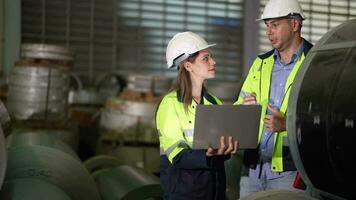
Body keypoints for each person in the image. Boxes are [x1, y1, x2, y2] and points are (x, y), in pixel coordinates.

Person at [234, 0, 313, 197]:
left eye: (275, 25)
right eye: (267, 25)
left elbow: (328, 123)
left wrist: (288, 125)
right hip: (252, 170)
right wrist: (244, 109)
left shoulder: (315, 63)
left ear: (294, 24)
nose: (269, 31)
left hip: (290, 172)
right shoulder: (260, 64)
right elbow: (237, 107)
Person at [156, 31, 239, 200]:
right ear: (188, 66)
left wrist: (226, 149)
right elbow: (176, 155)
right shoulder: (170, 104)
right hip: (184, 193)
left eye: (211, 57)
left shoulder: (214, 102)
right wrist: (207, 154)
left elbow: (220, 153)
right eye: (206, 58)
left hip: (215, 192)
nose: (213, 62)